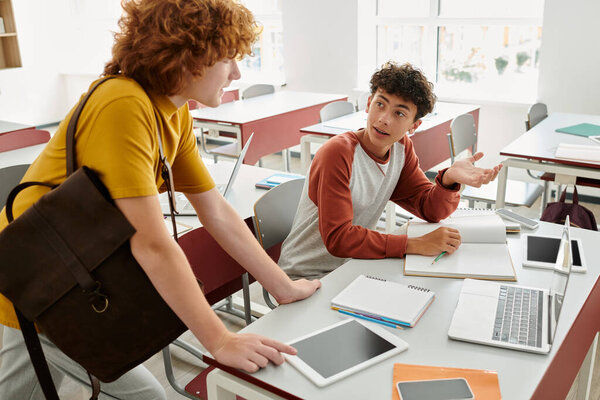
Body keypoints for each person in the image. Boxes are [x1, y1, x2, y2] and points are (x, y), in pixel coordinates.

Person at [0, 0, 320, 398]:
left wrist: (282, 286)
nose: (237, 72)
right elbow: (151, 243)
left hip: (73, 281)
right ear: (187, 57)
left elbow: (215, 211)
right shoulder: (123, 103)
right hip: (32, 287)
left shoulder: (173, 111)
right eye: (227, 59)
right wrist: (219, 341)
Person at [279, 62, 502, 280]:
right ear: (368, 103)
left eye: (400, 114)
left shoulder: (401, 148)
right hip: (304, 276)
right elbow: (339, 238)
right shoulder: (338, 153)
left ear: (414, 126)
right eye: (380, 104)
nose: (384, 119)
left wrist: (448, 179)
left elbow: (428, 208)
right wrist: (415, 244)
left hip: (351, 266)